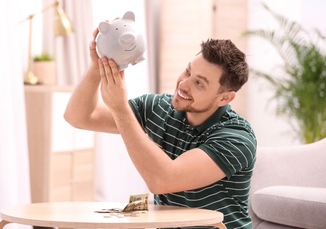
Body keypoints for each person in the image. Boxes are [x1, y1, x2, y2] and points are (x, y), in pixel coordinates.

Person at [64, 27, 257, 229]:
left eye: (199, 83)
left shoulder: (236, 138)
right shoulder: (158, 109)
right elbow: (79, 117)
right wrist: (98, 66)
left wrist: (120, 109)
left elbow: (163, 180)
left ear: (225, 98)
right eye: (188, 71)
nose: (183, 84)